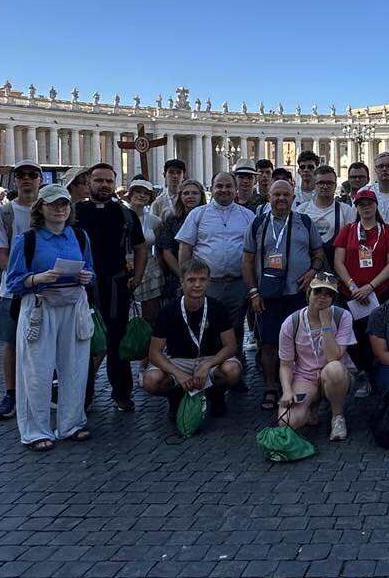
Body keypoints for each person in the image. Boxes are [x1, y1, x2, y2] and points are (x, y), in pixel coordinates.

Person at [4, 184, 96, 450]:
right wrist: (37, 278)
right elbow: (13, 281)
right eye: (54, 204)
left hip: (73, 304)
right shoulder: (28, 239)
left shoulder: (79, 236)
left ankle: (71, 423)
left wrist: (88, 276)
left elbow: (90, 268)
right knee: (37, 369)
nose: (60, 209)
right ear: (41, 208)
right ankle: (35, 430)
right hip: (40, 306)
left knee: (75, 366)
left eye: (64, 204)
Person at [243, 178, 325, 411]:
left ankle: (296, 384)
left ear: (293, 197)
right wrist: (253, 292)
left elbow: (318, 252)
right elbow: (247, 259)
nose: (281, 199)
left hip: (297, 293)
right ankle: (270, 387)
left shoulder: (304, 222)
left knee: (300, 343)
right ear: (269, 196)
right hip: (267, 294)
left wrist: (312, 271)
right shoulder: (258, 223)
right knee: (268, 343)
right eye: (276, 194)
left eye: (285, 195)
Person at [75, 164, 147, 412]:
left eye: (108, 181)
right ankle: (82, 397)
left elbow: (140, 247)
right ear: (89, 182)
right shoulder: (75, 212)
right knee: (83, 342)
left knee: (117, 341)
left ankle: (121, 393)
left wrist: (137, 276)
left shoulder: (125, 214)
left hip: (117, 285)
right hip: (83, 287)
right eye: (99, 180)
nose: (104, 185)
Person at [143, 257, 242, 422]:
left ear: (209, 281)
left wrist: (208, 364)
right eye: (191, 280)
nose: (197, 285)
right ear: (181, 282)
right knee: (151, 381)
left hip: (210, 359)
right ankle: (175, 397)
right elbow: (154, 353)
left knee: (232, 370)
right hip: (178, 361)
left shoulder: (217, 307)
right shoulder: (168, 311)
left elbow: (231, 346)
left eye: (202, 279)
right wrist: (177, 373)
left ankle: (215, 395)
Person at [0, 159, 43, 419]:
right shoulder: (4, 213)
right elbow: (2, 257)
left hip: (46, 289)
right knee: (11, 343)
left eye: (32, 174)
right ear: (15, 180)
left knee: (46, 341)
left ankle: (43, 390)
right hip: (13, 290)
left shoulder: (52, 209)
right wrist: (28, 280)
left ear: (40, 180)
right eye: (21, 175)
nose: (27, 179)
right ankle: (11, 393)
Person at [176, 171, 255, 347]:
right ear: (211, 188)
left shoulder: (248, 215)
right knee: (206, 324)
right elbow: (185, 247)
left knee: (235, 325)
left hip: (237, 282)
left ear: (235, 189)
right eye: (219, 186)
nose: (224, 189)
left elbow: (254, 251)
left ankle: (234, 363)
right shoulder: (198, 214)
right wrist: (185, 278)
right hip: (207, 284)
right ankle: (208, 362)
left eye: (228, 186)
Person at [332, 187, 389, 388]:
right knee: (356, 336)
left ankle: (380, 374)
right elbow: (338, 262)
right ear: (356, 208)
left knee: (379, 336)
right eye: (361, 204)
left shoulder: (387, 231)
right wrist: (353, 286)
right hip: (351, 295)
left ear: (376, 205)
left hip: (379, 293)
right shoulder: (348, 230)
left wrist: (370, 287)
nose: (366, 207)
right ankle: (364, 374)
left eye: (369, 203)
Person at [277, 272, 356, 440]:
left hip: (334, 374)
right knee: (287, 422)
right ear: (308, 293)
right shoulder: (291, 322)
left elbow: (333, 357)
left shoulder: (342, 316)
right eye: (318, 291)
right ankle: (312, 405)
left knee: (334, 368)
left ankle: (337, 416)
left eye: (329, 294)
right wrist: (287, 391)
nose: (323, 297)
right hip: (305, 377)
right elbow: (285, 364)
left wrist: (326, 324)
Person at [156, 179, 206, 305]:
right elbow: (166, 250)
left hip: (205, 275)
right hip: (177, 274)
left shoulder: (208, 218)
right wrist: (183, 276)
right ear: (180, 196)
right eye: (186, 193)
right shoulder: (172, 220)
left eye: (194, 193)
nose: (190, 196)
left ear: (201, 196)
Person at [298, 165, 355, 267]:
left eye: (329, 183)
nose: (325, 186)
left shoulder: (346, 210)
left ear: (335, 185)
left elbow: (352, 243)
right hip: (307, 271)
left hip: (337, 272)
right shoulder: (302, 211)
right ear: (314, 185)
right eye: (321, 183)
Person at [126, 179, 164, 325]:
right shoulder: (119, 215)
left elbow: (160, 248)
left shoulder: (155, 221)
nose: (141, 196)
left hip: (150, 268)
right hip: (125, 266)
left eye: (146, 193)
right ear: (131, 194)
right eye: (138, 192)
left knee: (150, 315)